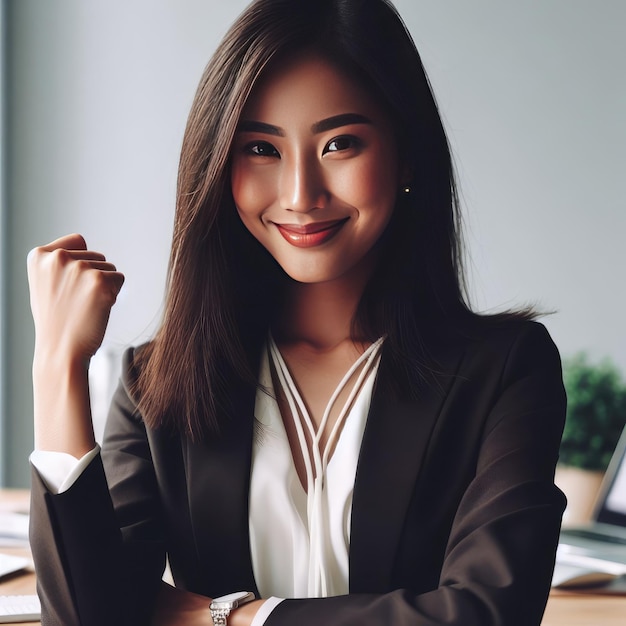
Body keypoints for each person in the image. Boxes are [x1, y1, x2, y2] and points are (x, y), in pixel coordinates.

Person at [26, 0, 567, 624]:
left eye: (340, 144)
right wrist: (56, 368)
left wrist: (225, 616)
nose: (300, 195)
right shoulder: (158, 383)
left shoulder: (504, 370)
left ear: (407, 153)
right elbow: (90, 617)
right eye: (261, 148)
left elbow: (485, 614)